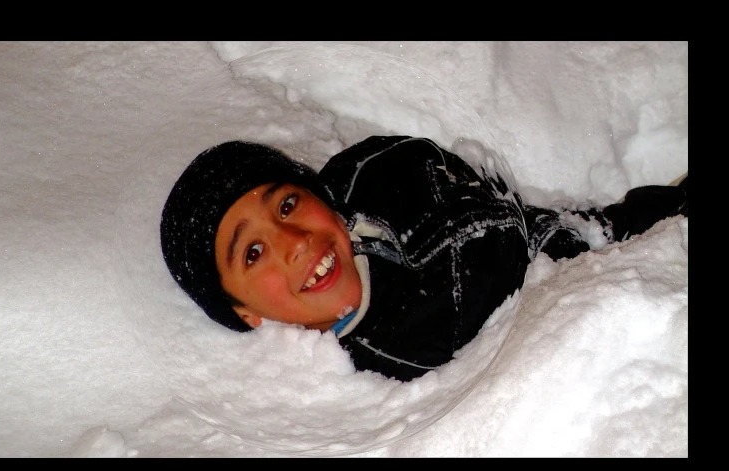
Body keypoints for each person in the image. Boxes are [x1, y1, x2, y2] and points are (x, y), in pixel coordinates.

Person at [160, 135, 687, 382]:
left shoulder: (381, 172)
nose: (293, 241)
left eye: (289, 203)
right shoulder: (387, 363)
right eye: (253, 253)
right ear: (242, 312)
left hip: (569, 233)